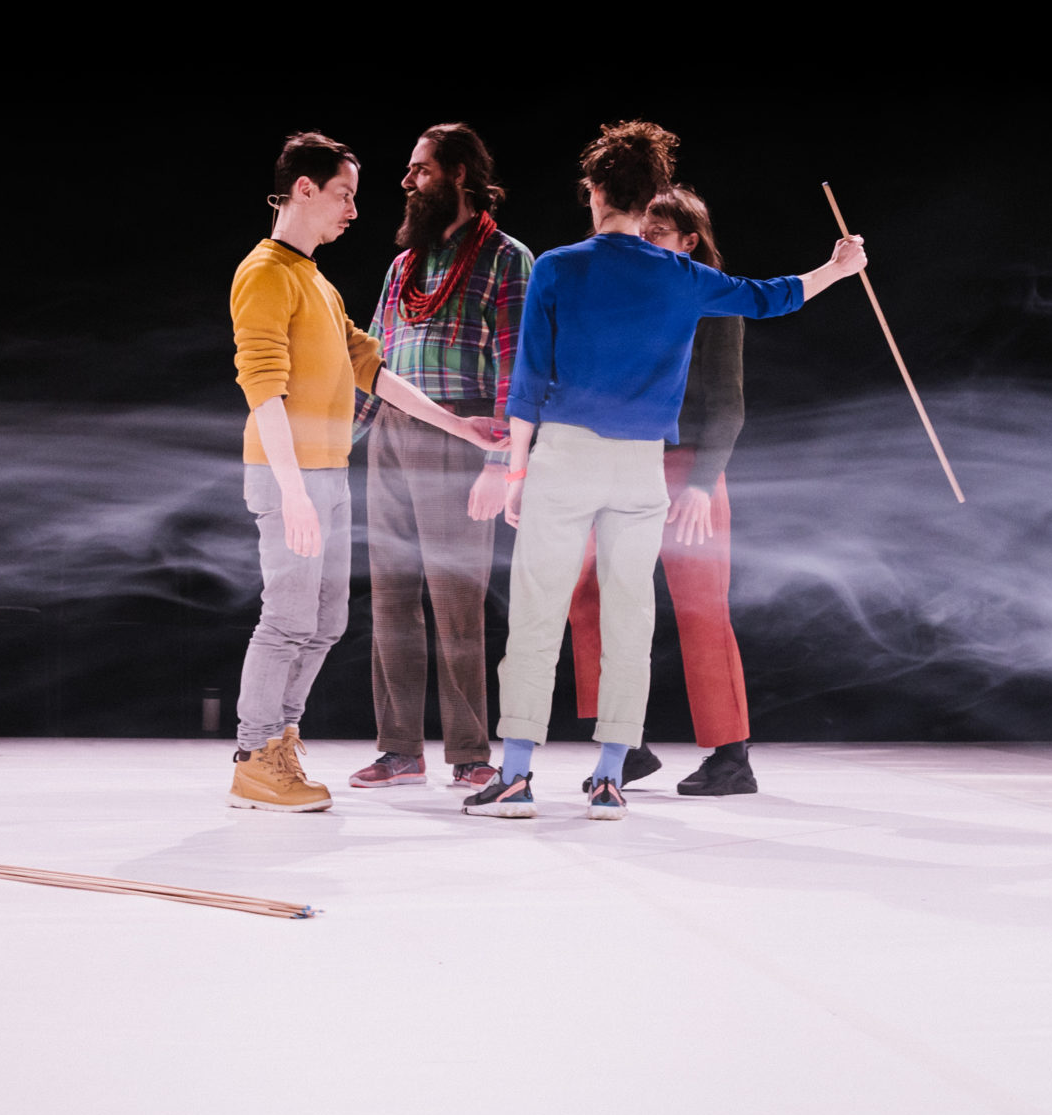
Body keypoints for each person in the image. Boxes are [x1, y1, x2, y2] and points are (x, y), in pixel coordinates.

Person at [465, 122, 865, 821]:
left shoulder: (557, 266)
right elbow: (771, 296)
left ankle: (517, 776)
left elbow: (527, 382)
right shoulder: (683, 277)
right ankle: (609, 780)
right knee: (630, 622)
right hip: (642, 468)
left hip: (566, 456)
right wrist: (837, 267)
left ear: (594, 191)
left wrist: (514, 470)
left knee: (536, 619)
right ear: (651, 197)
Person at [228, 131, 500, 812]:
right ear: (304, 190)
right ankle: (253, 756)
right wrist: (293, 490)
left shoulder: (315, 281)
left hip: (327, 473)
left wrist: (460, 426)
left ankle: (280, 742)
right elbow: (263, 389)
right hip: (291, 475)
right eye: (343, 195)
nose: (353, 210)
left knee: (324, 623)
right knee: (286, 619)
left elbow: (372, 367)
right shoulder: (264, 272)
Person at [349, 124, 533, 793]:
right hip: (392, 437)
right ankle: (399, 748)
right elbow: (371, 361)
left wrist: (499, 464)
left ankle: (469, 751)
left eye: (420, 169)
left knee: (457, 601)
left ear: (458, 174)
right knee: (391, 596)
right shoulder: (404, 265)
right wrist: (334, 450)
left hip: (465, 434)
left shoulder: (507, 258)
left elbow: (516, 365)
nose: (407, 181)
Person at [565, 184, 762, 797]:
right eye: (640, 232)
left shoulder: (715, 299)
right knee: (587, 592)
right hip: (623, 463)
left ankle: (731, 757)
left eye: (656, 234)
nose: (642, 242)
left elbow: (728, 405)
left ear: (689, 241)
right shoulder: (625, 298)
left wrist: (702, 485)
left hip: (688, 469)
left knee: (701, 604)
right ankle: (624, 745)